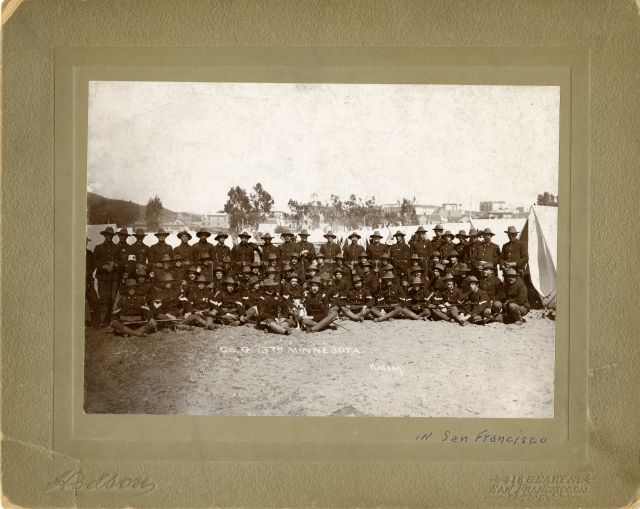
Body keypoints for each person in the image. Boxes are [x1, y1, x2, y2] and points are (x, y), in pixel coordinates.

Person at [92, 226, 120, 324]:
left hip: (114, 278)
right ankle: (103, 321)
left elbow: (122, 261)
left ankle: (112, 320)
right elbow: (94, 261)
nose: (109, 236)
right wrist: (103, 267)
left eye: (111, 235)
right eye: (108, 235)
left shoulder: (117, 247)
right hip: (102, 277)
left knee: (112, 299)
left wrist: (115, 264)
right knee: (103, 299)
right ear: (104, 235)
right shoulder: (98, 247)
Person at [85, 237, 101, 329]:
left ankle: (95, 325)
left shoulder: (90, 253)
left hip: (88, 281)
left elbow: (93, 266)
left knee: (95, 301)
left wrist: (88, 271)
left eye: (86, 242)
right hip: (77, 282)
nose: (85, 243)